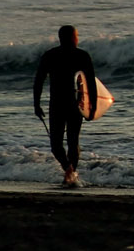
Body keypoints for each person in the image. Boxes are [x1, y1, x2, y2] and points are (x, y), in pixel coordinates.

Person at [32, 25, 99, 187]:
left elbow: (39, 81)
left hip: (66, 104)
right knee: (62, 143)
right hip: (70, 104)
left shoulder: (59, 55)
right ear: (71, 38)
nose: (77, 39)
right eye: (76, 36)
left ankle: (70, 174)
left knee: (66, 142)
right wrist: (93, 105)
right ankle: (70, 171)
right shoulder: (62, 55)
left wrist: (37, 103)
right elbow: (91, 83)